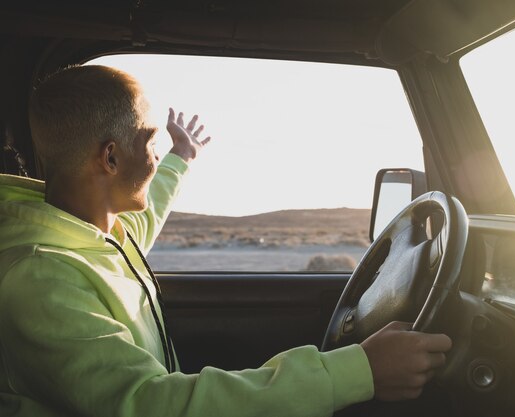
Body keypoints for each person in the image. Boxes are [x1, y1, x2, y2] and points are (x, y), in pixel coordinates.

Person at [0, 65, 452, 416]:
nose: (154, 158)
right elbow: (147, 404)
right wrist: (358, 372)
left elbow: (147, 214)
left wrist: (181, 158)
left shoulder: (98, 233)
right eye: (150, 142)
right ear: (111, 157)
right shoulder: (41, 277)